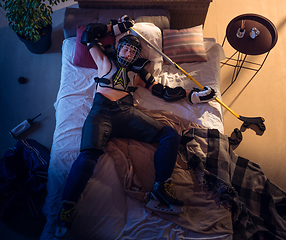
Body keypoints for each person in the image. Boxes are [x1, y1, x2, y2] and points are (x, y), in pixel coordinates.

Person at [55, 16, 216, 238]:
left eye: (133, 52)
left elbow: (164, 92)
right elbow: (88, 34)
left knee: (169, 135)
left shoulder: (139, 74)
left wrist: (194, 95)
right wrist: (117, 27)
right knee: (88, 156)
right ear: (118, 48)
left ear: (136, 56)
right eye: (125, 49)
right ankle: (66, 209)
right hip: (101, 113)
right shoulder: (104, 60)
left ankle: (160, 188)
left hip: (127, 113)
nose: (128, 53)